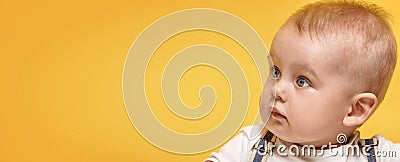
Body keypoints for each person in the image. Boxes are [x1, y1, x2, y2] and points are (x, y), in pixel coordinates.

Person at [204, 0, 399, 161]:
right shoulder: (251, 146)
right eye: (276, 72)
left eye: (302, 81)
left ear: (356, 109)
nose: (277, 89)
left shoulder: (377, 155)